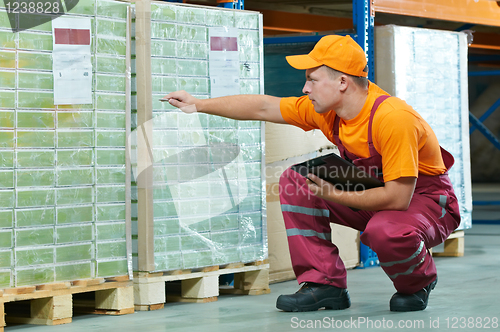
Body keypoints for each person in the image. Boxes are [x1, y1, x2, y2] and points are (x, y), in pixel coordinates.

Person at [161, 35, 461, 312]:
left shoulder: (392, 119)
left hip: (425, 200)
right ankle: (323, 283)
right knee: (296, 181)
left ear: (342, 81)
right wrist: (198, 105)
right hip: (375, 188)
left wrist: (336, 195)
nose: (305, 89)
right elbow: (265, 107)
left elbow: (397, 197)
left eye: (312, 80)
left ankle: (417, 282)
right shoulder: (327, 110)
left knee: (385, 230)